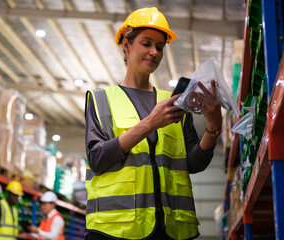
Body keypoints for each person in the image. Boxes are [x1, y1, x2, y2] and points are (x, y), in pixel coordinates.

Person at [84, 7, 222, 240]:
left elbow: (192, 163)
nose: (154, 52)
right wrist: (149, 123)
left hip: (170, 231)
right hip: (114, 230)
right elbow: (97, 159)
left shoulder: (175, 102)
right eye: (146, 43)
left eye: (159, 46)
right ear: (126, 45)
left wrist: (213, 128)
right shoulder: (101, 100)